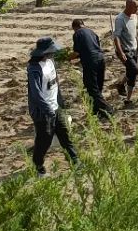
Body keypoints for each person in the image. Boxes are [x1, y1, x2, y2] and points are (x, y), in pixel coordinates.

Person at [27, 36, 78, 174]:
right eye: (51, 51)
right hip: (42, 112)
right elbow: (36, 94)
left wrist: (60, 105)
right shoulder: (34, 69)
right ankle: (38, 166)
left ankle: (75, 162)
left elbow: (55, 85)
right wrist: (47, 109)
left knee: (65, 136)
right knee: (44, 141)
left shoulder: (50, 62)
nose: (53, 53)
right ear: (44, 52)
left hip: (56, 107)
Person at [71, 19, 112, 120]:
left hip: (91, 62)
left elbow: (76, 52)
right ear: (83, 24)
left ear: (74, 27)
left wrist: (67, 57)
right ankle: (97, 110)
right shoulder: (92, 32)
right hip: (101, 59)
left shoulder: (77, 34)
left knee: (92, 88)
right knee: (98, 86)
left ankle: (108, 109)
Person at [112, 0, 138, 105]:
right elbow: (116, 37)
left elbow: (134, 33)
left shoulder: (134, 17)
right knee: (134, 70)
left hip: (133, 48)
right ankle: (121, 85)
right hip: (124, 50)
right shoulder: (120, 19)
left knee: (132, 73)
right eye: (135, 7)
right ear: (128, 6)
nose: (137, 10)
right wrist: (120, 52)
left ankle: (127, 99)